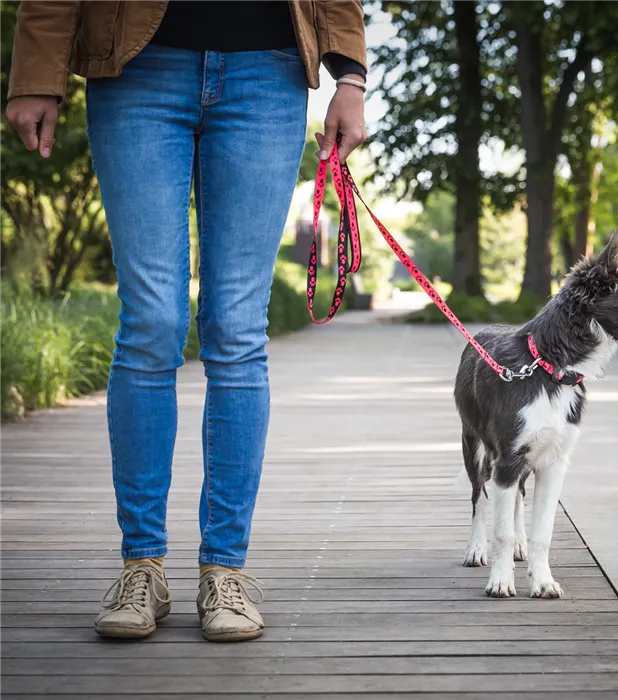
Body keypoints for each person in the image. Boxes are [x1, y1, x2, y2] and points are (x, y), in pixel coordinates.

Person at [6, 0, 367, 642]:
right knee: (151, 320)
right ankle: (140, 566)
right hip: (136, 67)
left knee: (236, 327)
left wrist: (351, 77)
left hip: (270, 72)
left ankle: (224, 570)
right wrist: (37, 73)